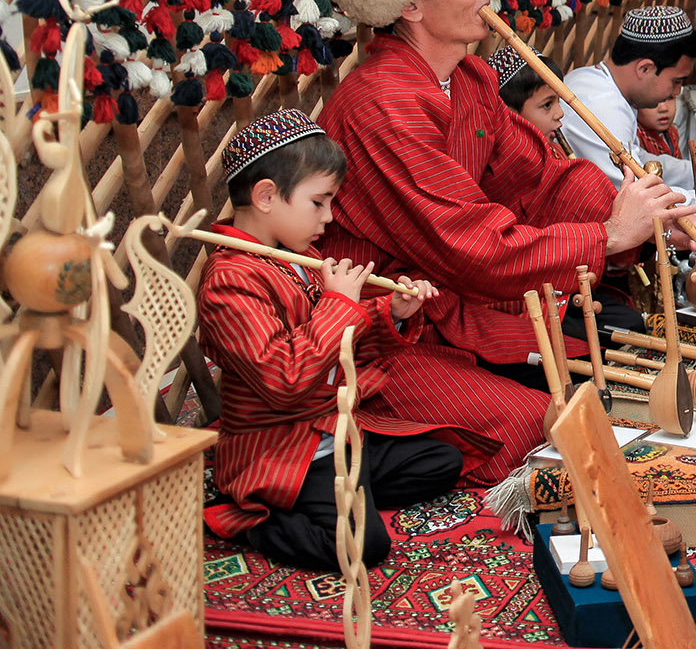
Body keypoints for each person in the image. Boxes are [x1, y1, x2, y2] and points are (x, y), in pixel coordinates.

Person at [317, 0, 696, 457]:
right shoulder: (379, 104)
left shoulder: (468, 79)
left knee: (582, 383)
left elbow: (542, 179)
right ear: (412, 4)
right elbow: (468, 244)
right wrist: (608, 234)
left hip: (459, 311)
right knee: (533, 425)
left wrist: (656, 217)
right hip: (382, 334)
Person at [199, 109, 494, 570]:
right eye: (318, 202)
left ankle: (349, 490)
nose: (329, 217)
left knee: (443, 460)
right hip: (281, 447)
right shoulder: (230, 280)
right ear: (265, 196)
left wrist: (389, 314)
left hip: (334, 431)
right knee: (363, 547)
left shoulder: (298, 256)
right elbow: (286, 377)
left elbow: (340, 346)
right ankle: (247, 519)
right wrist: (339, 304)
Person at [560, 5, 696, 225]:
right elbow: (634, 195)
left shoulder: (592, 79)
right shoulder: (603, 108)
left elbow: (639, 162)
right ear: (645, 69)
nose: (677, 92)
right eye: (676, 81)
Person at [489, 45, 570, 157]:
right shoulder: (506, 167)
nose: (560, 113)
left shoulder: (556, 152)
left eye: (558, 101)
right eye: (547, 105)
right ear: (509, 113)